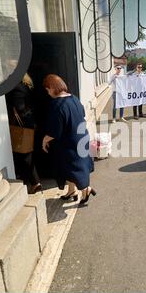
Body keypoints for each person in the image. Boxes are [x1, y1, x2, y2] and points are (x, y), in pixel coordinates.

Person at [42, 74, 96, 205]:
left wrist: (44, 140)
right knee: (74, 167)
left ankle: (86, 189)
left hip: (68, 142)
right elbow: (81, 115)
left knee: (72, 168)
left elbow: (55, 130)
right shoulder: (74, 98)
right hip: (81, 137)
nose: (48, 93)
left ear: (52, 88)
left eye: (47, 89)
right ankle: (72, 191)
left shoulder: (57, 105)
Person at [6, 73, 42, 194]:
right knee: (27, 153)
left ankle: (35, 183)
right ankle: (32, 181)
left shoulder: (16, 87)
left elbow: (20, 107)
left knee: (25, 154)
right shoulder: (27, 85)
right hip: (29, 123)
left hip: (22, 126)